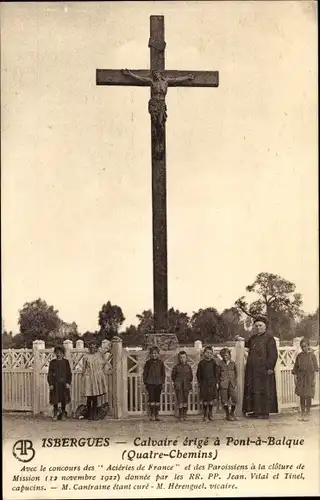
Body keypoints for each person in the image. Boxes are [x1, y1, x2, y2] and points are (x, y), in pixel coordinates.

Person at [242, 316, 278, 419]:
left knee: (264, 391)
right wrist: (240, 339)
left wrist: (270, 367)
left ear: (265, 326)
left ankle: (264, 413)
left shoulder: (270, 339)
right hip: (253, 371)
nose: (258, 327)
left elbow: (273, 355)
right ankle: (256, 411)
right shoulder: (253, 338)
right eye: (256, 326)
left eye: (260, 325)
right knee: (254, 390)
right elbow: (246, 344)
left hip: (264, 370)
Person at [292, 338, 319, 421]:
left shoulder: (312, 356)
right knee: (302, 396)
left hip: (309, 378)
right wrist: (295, 379)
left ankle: (308, 413)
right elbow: (295, 369)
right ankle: (302, 413)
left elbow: (316, 369)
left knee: (308, 396)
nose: (304, 348)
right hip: (301, 378)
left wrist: (314, 379)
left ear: (308, 346)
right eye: (302, 347)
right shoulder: (299, 356)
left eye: (305, 346)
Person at [83, 340, 109, 420]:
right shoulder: (86, 357)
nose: (92, 349)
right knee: (89, 396)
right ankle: (89, 414)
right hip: (89, 377)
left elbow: (108, 348)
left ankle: (94, 414)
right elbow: (84, 369)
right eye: (90, 347)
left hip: (97, 377)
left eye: (94, 347)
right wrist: (85, 377)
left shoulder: (99, 355)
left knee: (95, 396)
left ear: (96, 348)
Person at [47, 345, 72, 421]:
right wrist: (50, 383)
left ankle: (63, 413)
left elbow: (69, 373)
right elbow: (50, 374)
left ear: (63, 353)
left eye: (60, 353)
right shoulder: (52, 362)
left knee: (63, 398)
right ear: (55, 353)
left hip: (64, 384)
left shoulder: (66, 362)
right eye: (57, 353)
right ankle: (55, 413)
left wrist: (68, 382)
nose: (59, 354)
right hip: (55, 384)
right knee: (55, 399)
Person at [143, 346, 166, 421]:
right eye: (152, 353)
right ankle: (152, 414)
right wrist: (145, 382)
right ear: (150, 354)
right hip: (150, 383)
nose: (154, 355)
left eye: (155, 353)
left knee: (157, 399)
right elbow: (145, 373)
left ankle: (157, 414)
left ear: (158, 354)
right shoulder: (148, 363)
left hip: (158, 383)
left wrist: (162, 382)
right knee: (151, 399)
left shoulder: (161, 363)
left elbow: (163, 374)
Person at [196, 346, 218, 421]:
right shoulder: (201, 363)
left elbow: (216, 373)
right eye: (207, 353)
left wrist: (216, 382)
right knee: (205, 400)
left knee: (211, 400)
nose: (209, 354)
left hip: (212, 383)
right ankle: (205, 414)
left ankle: (210, 414)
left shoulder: (213, 362)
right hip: (204, 384)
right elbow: (198, 374)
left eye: (210, 353)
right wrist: (199, 383)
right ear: (204, 353)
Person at [171, 351, 193, 421]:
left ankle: (184, 414)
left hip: (186, 385)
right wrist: (177, 382)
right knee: (180, 400)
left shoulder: (188, 367)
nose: (182, 359)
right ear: (178, 358)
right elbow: (173, 376)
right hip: (179, 386)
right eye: (181, 357)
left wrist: (188, 382)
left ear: (186, 358)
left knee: (185, 400)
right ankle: (180, 415)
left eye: (184, 357)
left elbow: (191, 376)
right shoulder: (176, 367)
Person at [218, 348, 238, 421]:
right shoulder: (220, 364)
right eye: (223, 355)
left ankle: (232, 413)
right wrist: (219, 382)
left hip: (231, 384)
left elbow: (236, 374)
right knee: (224, 400)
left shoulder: (233, 363)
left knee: (235, 399)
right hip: (223, 384)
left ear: (229, 355)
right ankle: (227, 414)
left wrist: (234, 382)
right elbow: (218, 374)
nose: (225, 357)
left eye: (226, 355)